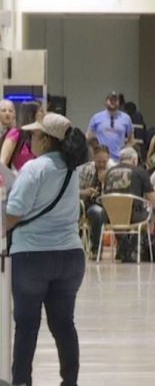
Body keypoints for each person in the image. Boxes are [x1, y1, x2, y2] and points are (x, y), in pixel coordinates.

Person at [2, 112, 88, 386]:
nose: (30, 139)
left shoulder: (35, 168)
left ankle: (21, 382)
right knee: (64, 324)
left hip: (32, 257)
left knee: (27, 327)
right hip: (71, 257)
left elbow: (14, 212)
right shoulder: (71, 169)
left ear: (47, 140)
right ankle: (69, 382)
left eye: (35, 135)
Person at [95, 147, 155, 262]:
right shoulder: (140, 171)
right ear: (134, 160)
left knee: (119, 215)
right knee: (148, 213)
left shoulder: (109, 173)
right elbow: (153, 199)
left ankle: (124, 247)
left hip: (109, 217)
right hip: (133, 217)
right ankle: (134, 249)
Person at [78, 143, 110, 254]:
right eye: (99, 161)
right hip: (85, 202)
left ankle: (96, 249)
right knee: (74, 208)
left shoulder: (113, 170)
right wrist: (85, 192)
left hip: (106, 205)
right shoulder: (84, 169)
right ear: (94, 159)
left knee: (97, 213)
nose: (101, 164)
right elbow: (73, 192)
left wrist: (105, 181)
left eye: (104, 162)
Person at [86, 91, 133, 160]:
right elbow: (88, 137)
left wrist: (124, 152)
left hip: (118, 159)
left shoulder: (126, 118)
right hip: (101, 159)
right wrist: (94, 152)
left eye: (115, 100)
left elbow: (131, 140)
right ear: (105, 102)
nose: (113, 102)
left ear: (119, 102)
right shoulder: (96, 117)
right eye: (110, 100)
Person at [1, 100, 44, 172]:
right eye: (41, 111)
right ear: (32, 114)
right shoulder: (16, 133)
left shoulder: (37, 135)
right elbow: (3, 162)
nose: (43, 114)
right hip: (16, 179)